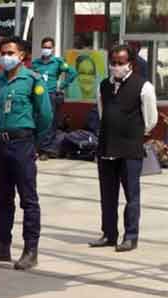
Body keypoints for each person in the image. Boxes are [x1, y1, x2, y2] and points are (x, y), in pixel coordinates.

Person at [0, 37, 52, 271]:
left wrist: (35, 143)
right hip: (0, 143)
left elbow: (46, 116)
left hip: (22, 143)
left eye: (10, 52)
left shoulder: (32, 80)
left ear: (22, 56)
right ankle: (2, 246)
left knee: (28, 199)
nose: (4, 56)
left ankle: (30, 250)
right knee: (3, 198)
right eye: (2, 53)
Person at [90, 45, 158, 253]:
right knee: (107, 195)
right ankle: (109, 234)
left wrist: (133, 133)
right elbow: (103, 113)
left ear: (130, 64)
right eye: (113, 63)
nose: (116, 67)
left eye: (120, 63)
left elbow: (151, 120)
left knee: (131, 195)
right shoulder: (103, 86)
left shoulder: (143, 86)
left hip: (130, 149)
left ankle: (131, 236)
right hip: (107, 147)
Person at [31, 37, 77, 160]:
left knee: (50, 123)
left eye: (49, 47)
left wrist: (62, 85)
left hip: (51, 95)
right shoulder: (35, 63)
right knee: (36, 122)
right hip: (37, 96)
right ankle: (35, 148)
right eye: (44, 47)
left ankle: (46, 150)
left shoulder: (58, 62)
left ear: (53, 48)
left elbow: (72, 73)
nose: (46, 49)